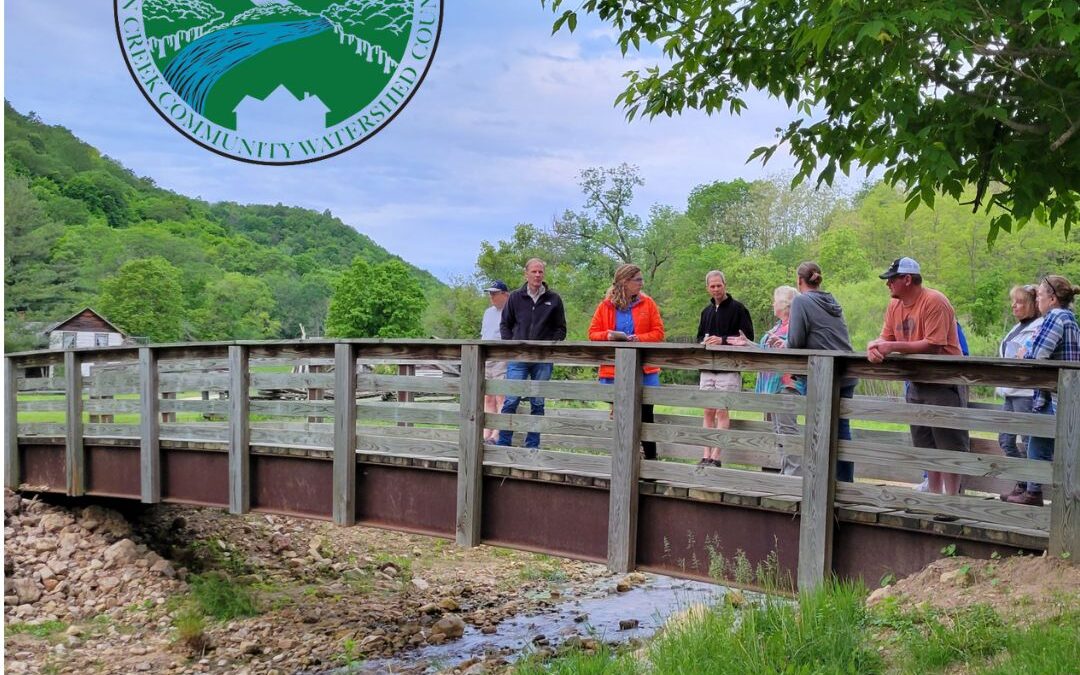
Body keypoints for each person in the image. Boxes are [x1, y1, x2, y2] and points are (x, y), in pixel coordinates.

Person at [867, 257, 968, 497]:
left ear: (907, 279)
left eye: (891, 280)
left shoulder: (935, 301)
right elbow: (886, 338)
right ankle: (933, 496)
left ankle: (952, 499)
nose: (888, 285)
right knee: (924, 442)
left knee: (949, 443)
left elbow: (934, 345)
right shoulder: (894, 306)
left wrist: (890, 348)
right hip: (915, 381)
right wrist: (874, 348)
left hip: (943, 382)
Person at [1004, 275, 1080, 506]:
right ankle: (1034, 491)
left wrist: (1022, 356)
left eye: (1040, 296)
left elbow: (1037, 355)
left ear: (1053, 299)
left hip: (1056, 396)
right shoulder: (1069, 318)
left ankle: (1035, 493)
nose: (1037, 301)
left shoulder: (1055, 317)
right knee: (1041, 445)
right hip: (1062, 395)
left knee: (1038, 445)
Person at [786, 262, 859, 481]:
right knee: (841, 431)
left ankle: (821, 486)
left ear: (799, 281)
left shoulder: (800, 300)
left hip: (823, 375)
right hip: (845, 372)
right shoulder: (831, 300)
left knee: (818, 431)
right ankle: (844, 484)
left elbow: (796, 341)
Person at [587, 264, 665, 459]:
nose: (641, 283)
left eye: (641, 279)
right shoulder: (606, 305)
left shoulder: (648, 303)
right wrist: (609, 336)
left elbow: (658, 333)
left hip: (644, 369)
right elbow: (592, 333)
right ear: (625, 281)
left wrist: (638, 338)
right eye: (637, 280)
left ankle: (651, 461)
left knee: (646, 415)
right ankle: (624, 460)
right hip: (616, 370)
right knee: (621, 416)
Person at [496, 259, 568, 448]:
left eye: (540, 272)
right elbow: (505, 324)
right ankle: (503, 443)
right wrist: (513, 346)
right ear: (526, 274)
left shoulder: (554, 299)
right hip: (518, 357)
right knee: (511, 399)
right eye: (534, 272)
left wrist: (549, 346)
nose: (537, 275)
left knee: (538, 402)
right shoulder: (515, 297)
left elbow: (561, 329)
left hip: (543, 359)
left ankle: (532, 445)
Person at [695, 270, 754, 467]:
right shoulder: (706, 312)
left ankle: (716, 457)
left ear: (725, 285)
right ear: (707, 288)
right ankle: (705, 454)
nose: (716, 289)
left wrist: (723, 340)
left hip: (728, 368)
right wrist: (705, 341)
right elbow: (698, 337)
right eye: (712, 286)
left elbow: (748, 338)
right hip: (708, 367)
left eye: (719, 285)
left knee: (722, 411)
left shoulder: (738, 309)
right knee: (707, 410)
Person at [995, 285, 1042, 484]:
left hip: (1026, 393)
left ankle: (1032, 487)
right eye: (1013, 301)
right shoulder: (1018, 327)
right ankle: (1023, 483)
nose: (1014, 306)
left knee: (1029, 440)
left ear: (1032, 305)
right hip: (1010, 391)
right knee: (1005, 440)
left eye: (1020, 302)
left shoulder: (1040, 325)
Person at [754, 286, 800, 444]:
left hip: (786, 386)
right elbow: (765, 350)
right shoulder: (777, 326)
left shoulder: (795, 327)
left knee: (787, 431)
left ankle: (793, 469)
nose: (772, 305)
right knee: (778, 431)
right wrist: (746, 343)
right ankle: (785, 468)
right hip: (772, 387)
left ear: (783, 304)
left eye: (774, 301)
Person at [480, 280, 510, 443]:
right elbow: (484, 334)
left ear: (505, 294)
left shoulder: (510, 311)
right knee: (488, 397)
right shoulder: (488, 312)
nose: (491, 296)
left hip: (502, 357)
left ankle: (497, 433)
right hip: (487, 357)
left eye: (495, 293)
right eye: (490, 293)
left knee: (501, 396)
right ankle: (487, 432)